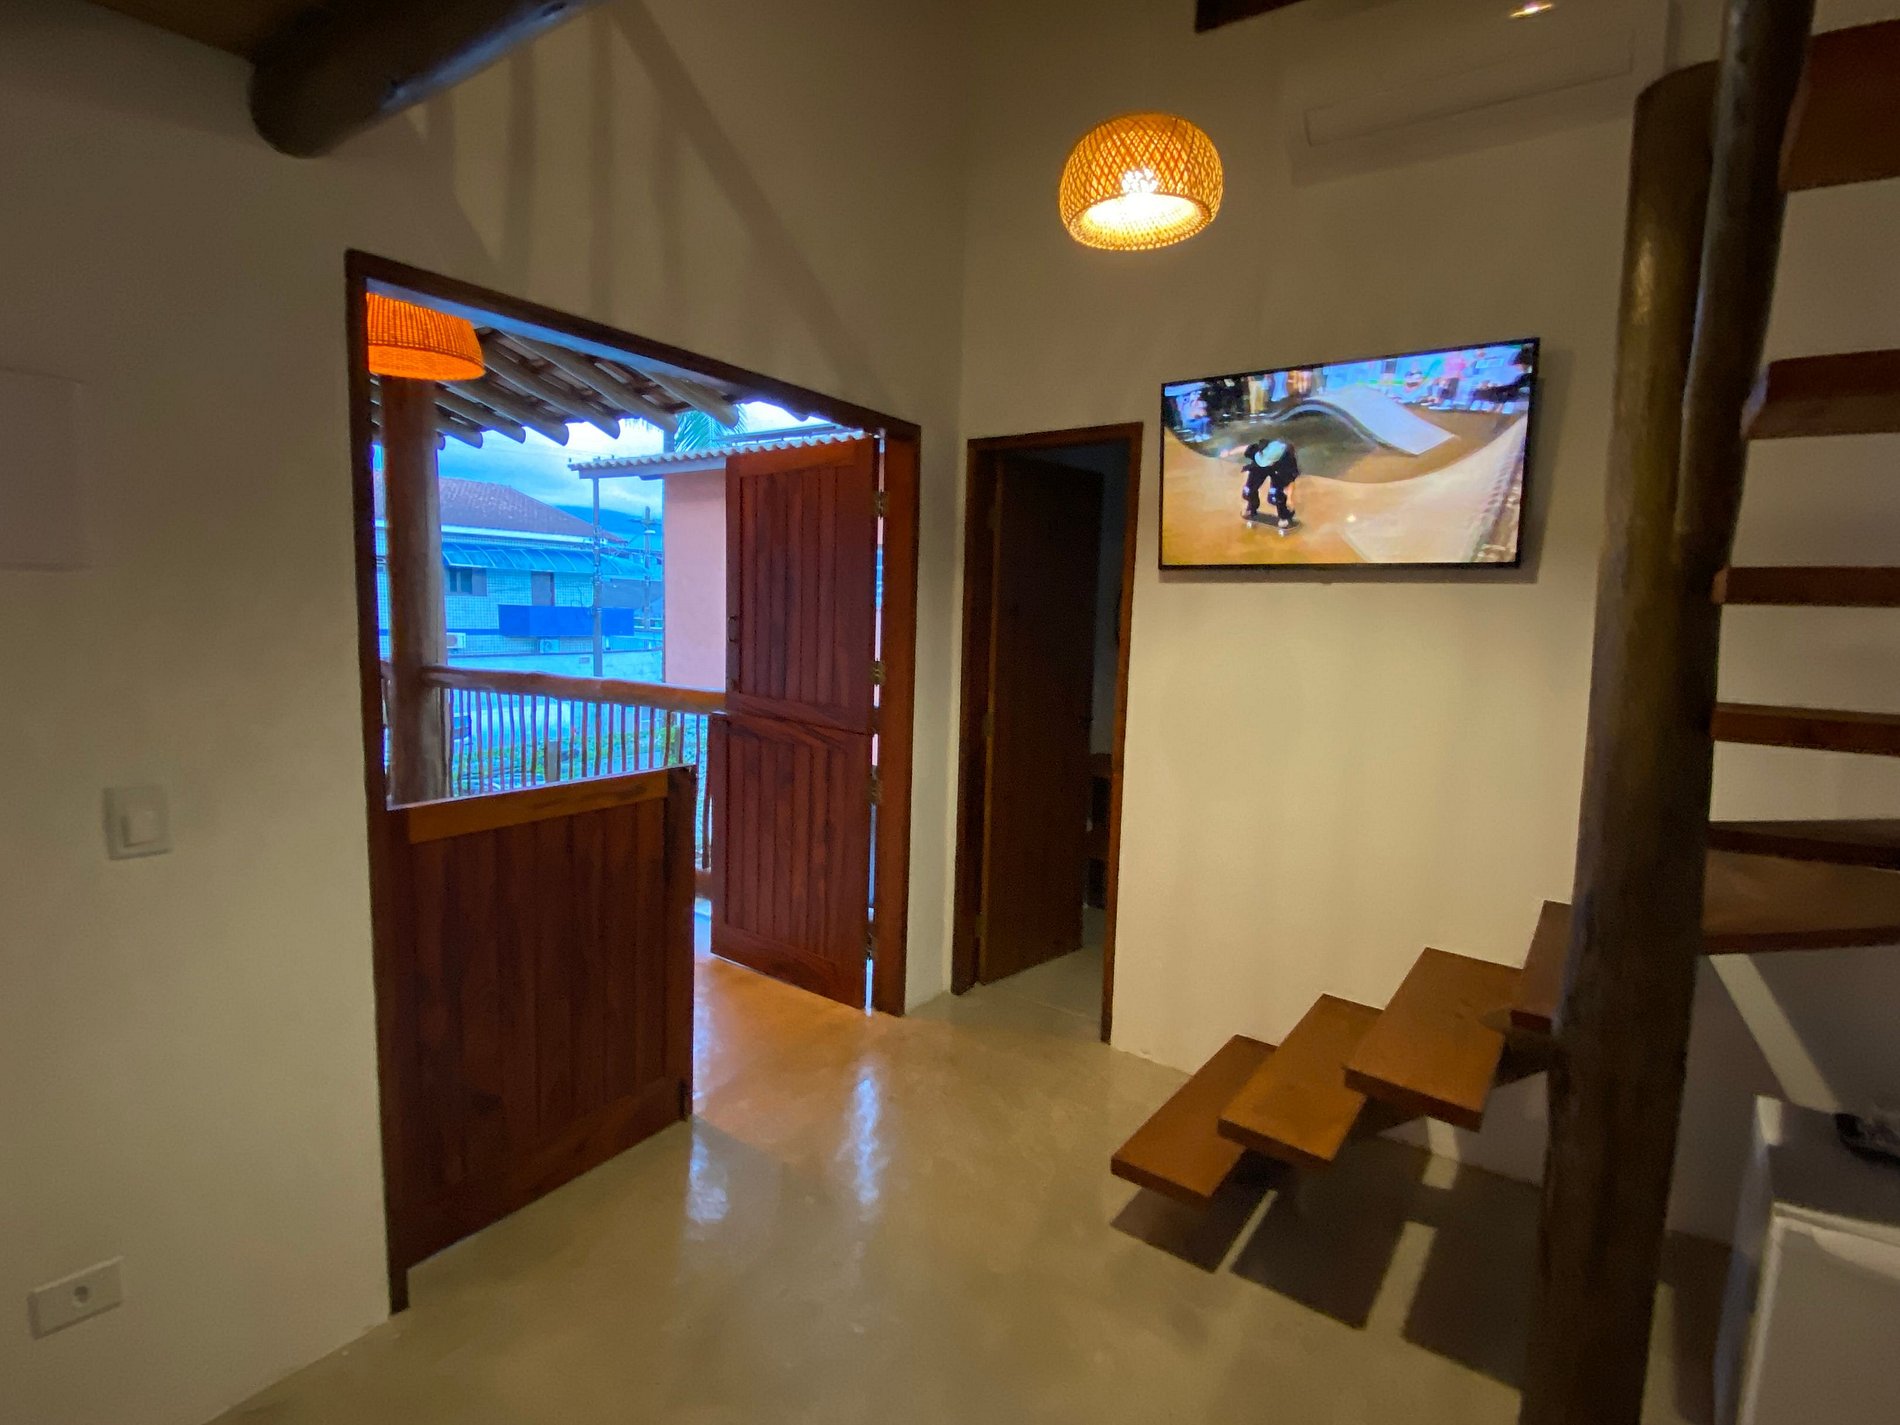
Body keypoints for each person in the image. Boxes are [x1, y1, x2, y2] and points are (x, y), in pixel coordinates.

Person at [1241, 438, 1300, 530]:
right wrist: (1228, 453)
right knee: (1248, 491)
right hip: (1259, 467)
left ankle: (1285, 516)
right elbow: (1245, 448)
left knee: (1275, 496)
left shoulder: (1287, 461)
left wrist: (1289, 498)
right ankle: (1251, 508)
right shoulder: (1261, 450)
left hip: (1278, 470)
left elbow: (1291, 481)